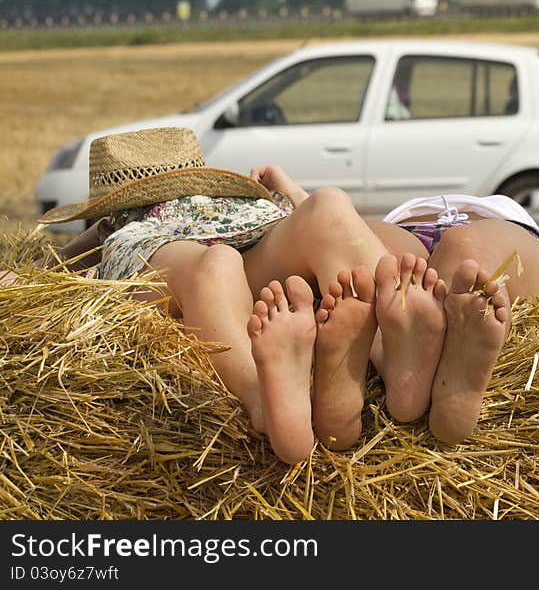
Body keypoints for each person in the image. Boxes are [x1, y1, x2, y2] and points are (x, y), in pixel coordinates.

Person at [36, 126, 393, 464]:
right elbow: (59, 262)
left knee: (232, 256)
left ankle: (279, 392)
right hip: (228, 241)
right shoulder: (218, 207)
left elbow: (55, 263)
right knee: (320, 211)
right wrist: (295, 196)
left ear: (108, 204)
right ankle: (378, 357)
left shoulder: (118, 229)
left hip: (188, 259)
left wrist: (30, 272)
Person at [364, 194, 539, 444]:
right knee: (359, 255)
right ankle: (434, 363)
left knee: (465, 249)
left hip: (480, 222)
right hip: (410, 227)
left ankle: (403, 353)